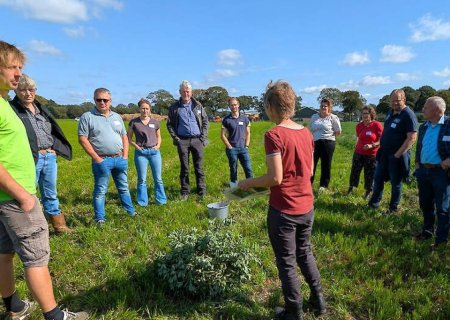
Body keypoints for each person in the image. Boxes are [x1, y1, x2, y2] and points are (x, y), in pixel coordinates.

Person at [0, 41, 88, 320]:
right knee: (37, 258)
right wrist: (24, 196)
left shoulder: (3, 103)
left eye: (20, 67)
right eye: (12, 67)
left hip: (6, 199)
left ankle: (14, 307)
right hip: (16, 198)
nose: (18, 74)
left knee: (4, 253)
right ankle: (56, 316)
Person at [238, 81, 326, 320]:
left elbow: (275, 177)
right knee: (305, 252)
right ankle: (318, 300)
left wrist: (248, 184)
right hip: (306, 205)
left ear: (269, 106)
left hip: (284, 210)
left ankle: (293, 311)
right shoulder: (306, 133)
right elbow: (306, 173)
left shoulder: (274, 135)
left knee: (286, 262)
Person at [10, 74, 73, 234]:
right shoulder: (13, 110)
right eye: (23, 90)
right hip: (31, 157)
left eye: (31, 89)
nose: (28, 93)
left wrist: (54, 148)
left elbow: (53, 130)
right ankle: (30, 228)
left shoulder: (41, 109)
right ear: (16, 91)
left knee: (50, 192)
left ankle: (59, 226)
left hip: (49, 157)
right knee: (29, 192)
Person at [78, 88, 135, 225]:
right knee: (100, 191)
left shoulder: (116, 117)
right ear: (94, 100)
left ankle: (131, 212)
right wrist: (97, 159)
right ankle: (100, 218)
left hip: (119, 158)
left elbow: (124, 137)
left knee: (123, 187)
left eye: (105, 100)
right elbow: (82, 139)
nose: (102, 102)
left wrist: (125, 156)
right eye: (99, 100)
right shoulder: (87, 117)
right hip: (102, 160)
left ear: (110, 101)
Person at [368, 89, 418, 214]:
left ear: (404, 100)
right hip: (384, 153)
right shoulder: (390, 112)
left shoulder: (408, 115)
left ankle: (393, 208)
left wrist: (397, 155)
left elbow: (412, 138)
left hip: (397, 155)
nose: (395, 103)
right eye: (393, 101)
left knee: (396, 182)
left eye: (398, 100)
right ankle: (373, 204)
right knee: (378, 178)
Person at [414, 96, 450, 249]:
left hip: (441, 173)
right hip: (424, 171)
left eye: (426, 107)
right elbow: (420, 146)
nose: (423, 110)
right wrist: (417, 164)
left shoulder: (449, 124)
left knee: (442, 208)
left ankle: (441, 241)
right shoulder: (424, 126)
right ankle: (427, 231)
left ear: (436, 110)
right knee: (425, 204)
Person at [167, 80, 208, 200]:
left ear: (191, 92)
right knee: (184, 167)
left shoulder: (198, 105)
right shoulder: (174, 107)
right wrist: (177, 139)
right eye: (184, 91)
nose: (186, 93)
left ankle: (201, 190)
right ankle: (185, 191)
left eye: (188, 91)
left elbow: (205, 121)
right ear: (180, 92)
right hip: (182, 141)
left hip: (197, 140)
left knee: (199, 166)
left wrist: (202, 137)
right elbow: (169, 125)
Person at [127, 98, 167, 206]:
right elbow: (129, 138)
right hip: (141, 153)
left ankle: (161, 200)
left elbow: (159, 137)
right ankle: (142, 202)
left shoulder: (155, 122)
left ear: (150, 110)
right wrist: (136, 147)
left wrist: (158, 146)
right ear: (139, 109)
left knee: (158, 178)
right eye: (143, 108)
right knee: (142, 179)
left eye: (147, 108)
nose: (145, 110)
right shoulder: (133, 122)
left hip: (154, 152)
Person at [347, 106, 383, 198]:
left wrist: (372, 145)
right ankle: (351, 188)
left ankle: (368, 191)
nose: (364, 115)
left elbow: (381, 140)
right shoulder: (359, 126)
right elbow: (359, 137)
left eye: (366, 113)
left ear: (371, 114)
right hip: (358, 153)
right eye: (363, 113)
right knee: (354, 171)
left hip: (371, 154)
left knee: (369, 173)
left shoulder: (377, 125)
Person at [221, 97, 253, 188]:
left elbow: (248, 133)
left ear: (238, 105)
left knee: (248, 168)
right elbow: (222, 135)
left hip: (243, 148)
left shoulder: (245, 118)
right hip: (232, 149)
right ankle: (234, 187)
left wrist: (246, 146)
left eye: (235, 104)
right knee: (233, 169)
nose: (234, 106)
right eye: (231, 105)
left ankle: (250, 186)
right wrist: (229, 147)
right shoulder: (226, 120)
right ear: (229, 106)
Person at [310, 98, 341, 190]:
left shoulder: (333, 118)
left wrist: (328, 136)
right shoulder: (314, 117)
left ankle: (323, 185)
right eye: (322, 106)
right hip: (315, 143)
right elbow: (311, 129)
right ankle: (308, 183)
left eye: (325, 106)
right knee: (312, 163)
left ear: (329, 107)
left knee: (326, 164)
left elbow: (338, 132)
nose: (323, 107)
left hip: (328, 143)